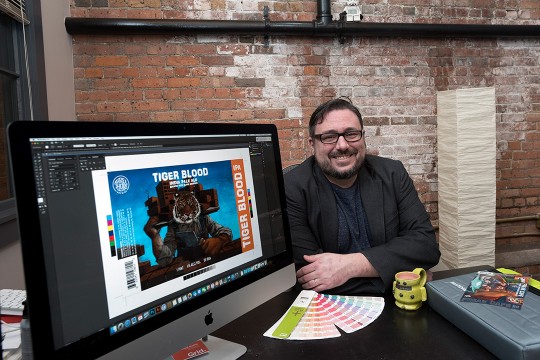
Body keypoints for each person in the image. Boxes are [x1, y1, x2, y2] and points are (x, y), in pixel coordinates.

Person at [284, 97, 440, 295]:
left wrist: (350, 265)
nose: (342, 145)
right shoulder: (292, 188)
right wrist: (398, 275)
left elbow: (426, 246)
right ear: (312, 144)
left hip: (399, 305)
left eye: (351, 134)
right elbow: (311, 277)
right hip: (330, 308)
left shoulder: (393, 174)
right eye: (329, 137)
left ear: (363, 137)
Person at [144, 190, 232, 267]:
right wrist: (155, 237)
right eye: (182, 206)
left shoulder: (203, 218)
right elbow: (165, 260)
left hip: (207, 262)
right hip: (186, 267)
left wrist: (219, 240)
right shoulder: (173, 226)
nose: (187, 211)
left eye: (190, 204)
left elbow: (226, 232)